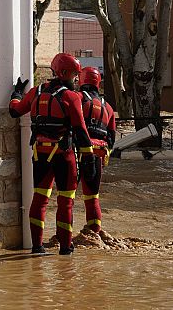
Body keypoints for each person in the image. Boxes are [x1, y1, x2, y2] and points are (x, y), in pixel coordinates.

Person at [9, 53, 96, 255]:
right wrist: (89, 157)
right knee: (66, 200)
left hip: (40, 154)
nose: (77, 79)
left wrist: (16, 93)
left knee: (39, 199)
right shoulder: (71, 97)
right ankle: (65, 247)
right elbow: (81, 131)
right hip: (63, 155)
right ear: (64, 73)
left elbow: (15, 111)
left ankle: (37, 247)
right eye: (75, 74)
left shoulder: (35, 93)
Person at [77, 67, 116, 233]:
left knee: (67, 196)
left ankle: (63, 238)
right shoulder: (107, 107)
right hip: (98, 154)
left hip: (77, 152)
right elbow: (112, 138)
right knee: (92, 197)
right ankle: (94, 233)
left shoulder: (77, 98)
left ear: (81, 80)